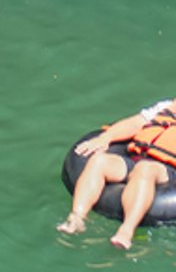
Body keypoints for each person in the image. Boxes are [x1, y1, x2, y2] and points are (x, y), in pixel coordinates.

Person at [58, 98, 176, 248]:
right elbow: (135, 123)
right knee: (99, 161)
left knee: (145, 169)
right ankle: (77, 218)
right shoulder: (165, 107)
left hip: (167, 170)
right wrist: (105, 137)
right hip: (136, 158)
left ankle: (126, 231)